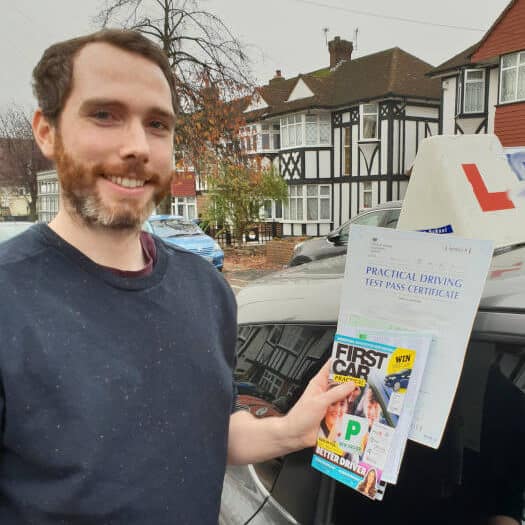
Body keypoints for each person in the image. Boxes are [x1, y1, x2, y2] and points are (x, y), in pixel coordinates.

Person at [0, 29, 355, 524]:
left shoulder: (206, 288)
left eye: (158, 124)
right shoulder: (9, 299)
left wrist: (292, 431)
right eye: (105, 114)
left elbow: (210, 431)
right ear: (46, 131)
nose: (137, 146)